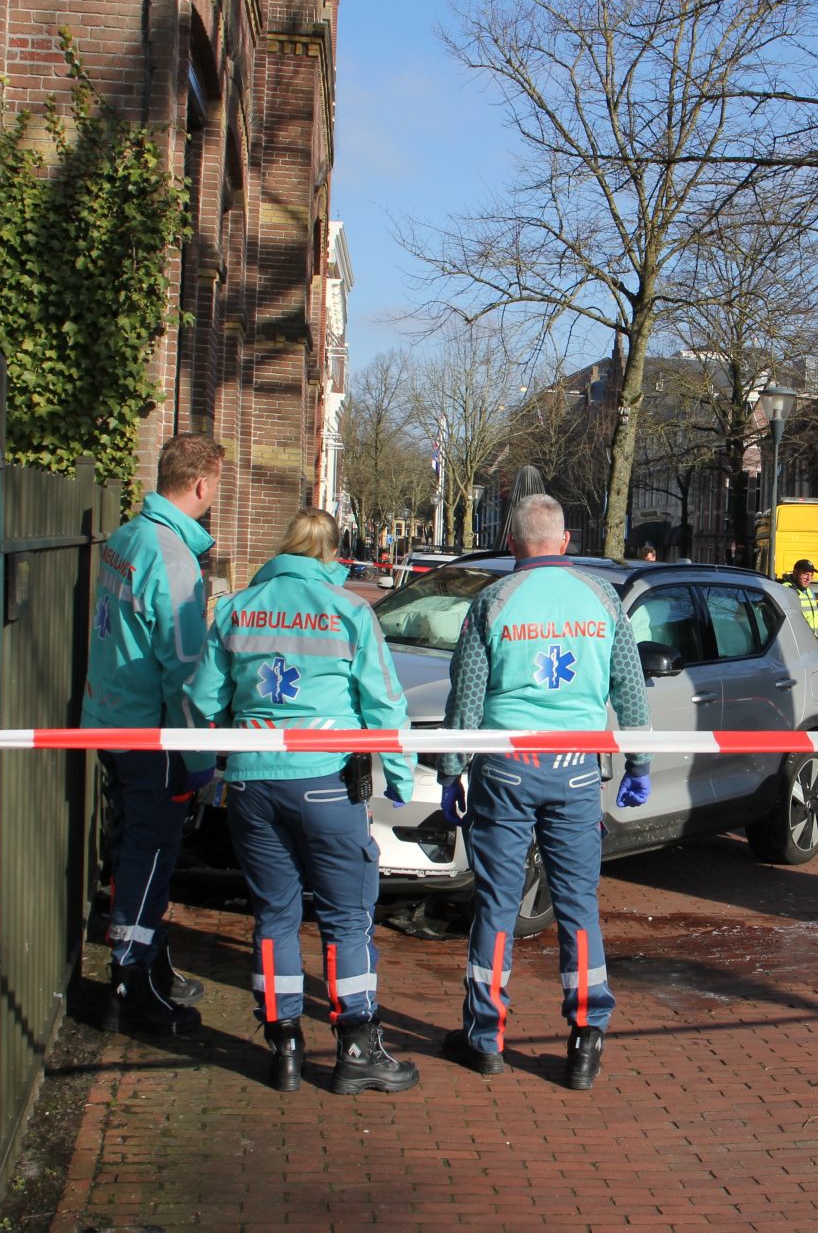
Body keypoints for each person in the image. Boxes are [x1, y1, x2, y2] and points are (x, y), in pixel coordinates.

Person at [185, 508, 420, 1094]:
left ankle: (284, 1045)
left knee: (274, 915)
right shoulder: (349, 611)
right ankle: (358, 1050)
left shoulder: (237, 609)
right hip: (325, 781)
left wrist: (200, 765)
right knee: (346, 917)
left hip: (251, 783)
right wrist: (400, 777)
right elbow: (383, 703)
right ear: (332, 555)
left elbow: (203, 700)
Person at [436, 494, 652, 1090]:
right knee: (579, 906)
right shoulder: (603, 599)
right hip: (578, 768)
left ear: (511, 544)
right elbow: (630, 692)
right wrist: (638, 762)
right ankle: (586, 1038)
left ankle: (484, 1038)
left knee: (497, 904)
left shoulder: (492, 601)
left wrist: (451, 769)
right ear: (564, 541)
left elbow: (467, 701)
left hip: (506, 769)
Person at [84, 433, 226, 1033]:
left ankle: (152, 963)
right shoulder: (172, 559)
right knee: (150, 853)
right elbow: (186, 672)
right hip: (154, 736)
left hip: (112, 721)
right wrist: (199, 755)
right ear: (201, 485)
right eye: (216, 485)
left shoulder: (127, 537)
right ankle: (131, 985)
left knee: (131, 847)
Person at [785, 558, 818, 635]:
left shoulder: (810, 592)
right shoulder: (787, 590)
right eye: (806, 574)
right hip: (799, 638)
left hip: (814, 638)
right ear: (795, 573)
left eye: (811, 575)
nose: (809, 579)